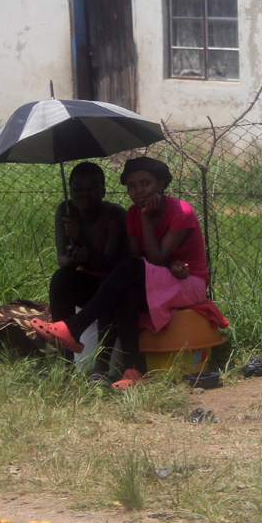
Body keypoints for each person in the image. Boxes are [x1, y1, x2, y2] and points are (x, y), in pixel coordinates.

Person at [31, 157, 210, 386]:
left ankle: (74, 327)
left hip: (189, 281)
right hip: (161, 278)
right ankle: (134, 371)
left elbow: (152, 260)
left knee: (123, 273)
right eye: (132, 186)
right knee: (123, 288)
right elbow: (139, 258)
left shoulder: (180, 211)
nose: (138, 191)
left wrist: (145, 218)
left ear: (161, 185)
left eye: (145, 183)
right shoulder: (134, 213)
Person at [47, 162, 128, 354]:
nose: (84, 194)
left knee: (107, 283)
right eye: (77, 188)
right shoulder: (65, 211)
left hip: (112, 285)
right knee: (60, 279)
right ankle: (64, 355)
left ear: (103, 191)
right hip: (86, 282)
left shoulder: (114, 214)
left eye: (92, 188)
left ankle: (102, 361)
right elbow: (63, 262)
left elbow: (110, 265)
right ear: (70, 190)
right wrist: (74, 259)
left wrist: (81, 238)